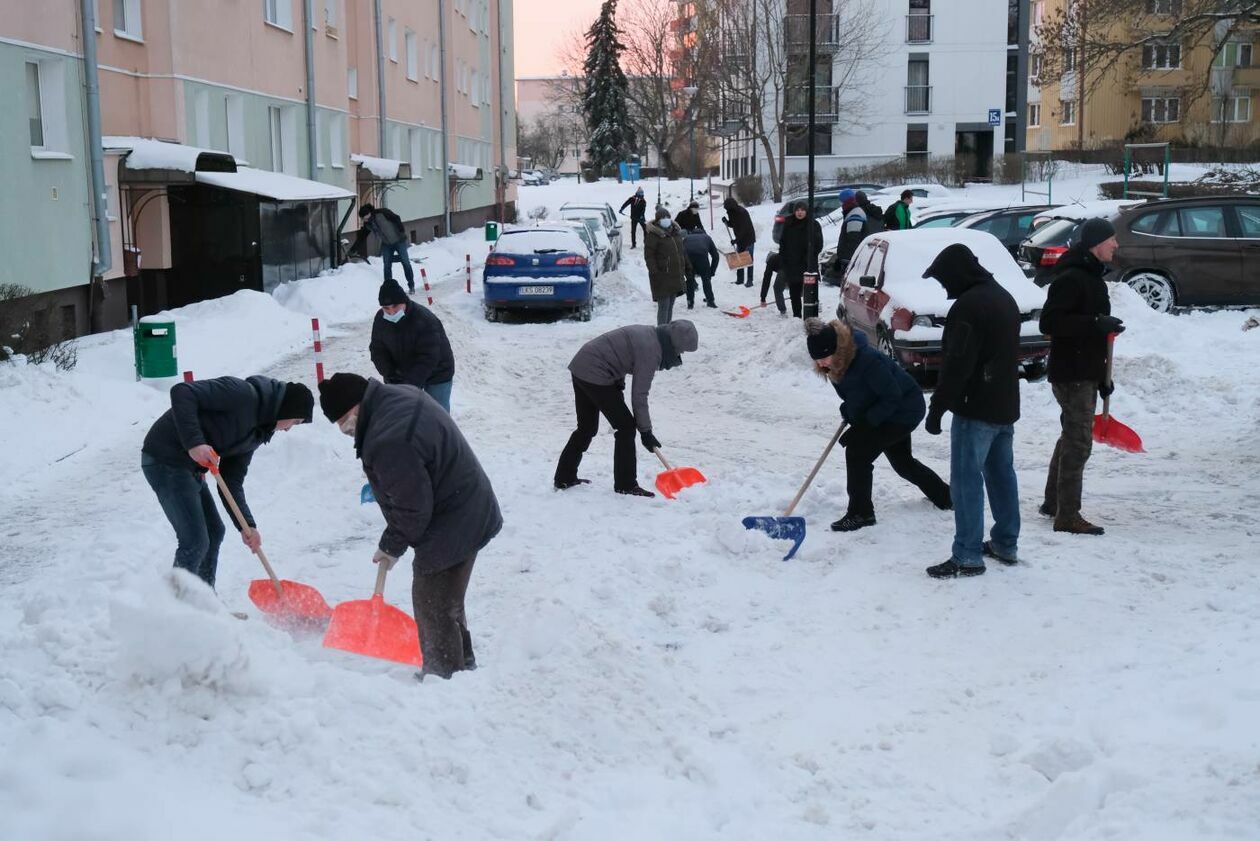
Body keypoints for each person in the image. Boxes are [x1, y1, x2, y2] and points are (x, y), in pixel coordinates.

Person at [318, 373, 502, 680]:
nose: (346, 432)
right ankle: (463, 666)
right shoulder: (394, 397)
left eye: (343, 423)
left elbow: (412, 507)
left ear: (355, 409)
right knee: (448, 598)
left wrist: (391, 545)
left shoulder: (389, 438)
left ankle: (442, 676)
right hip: (464, 503)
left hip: (454, 518)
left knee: (432, 599)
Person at [141, 376, 313, 588]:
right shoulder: (241, 393)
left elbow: (231, 482)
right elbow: (182, 392)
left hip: (190, 468)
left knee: (214, 531)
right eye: (295, 421)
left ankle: (205, 602)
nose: (289, 429)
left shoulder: (257, 432)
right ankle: (177, 605)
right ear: (287, 408)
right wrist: (195, 443)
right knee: (195, 540)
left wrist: (247, 525)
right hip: (165, 458)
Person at [921, 243, 1022, 579]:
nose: (945, 288)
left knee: (966, 482)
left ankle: (966, 555)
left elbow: (957, 366)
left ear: (956, 274)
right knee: (1001, 475)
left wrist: (937, 409)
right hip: (1004, 404)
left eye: (944, 280)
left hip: (975, 407)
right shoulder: (1003, 297)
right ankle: (1006, 543)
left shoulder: (968, 307)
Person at [805, 319, 952, 532]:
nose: (821, 364)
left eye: (823, 358)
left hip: (903, 409)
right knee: (902, 462)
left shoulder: (867, 360)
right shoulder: (836, 364)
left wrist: (864, 427)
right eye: (816, 360)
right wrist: (850, 412)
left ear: (837, 349)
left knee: (857, 454)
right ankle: (946, 497)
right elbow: (857, 395)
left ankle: (861, 513)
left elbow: (891, 396)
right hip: (886, 410)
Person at [1039, 218, 1125, 536]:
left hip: (1084, 370)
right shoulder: (1072, 279)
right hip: (1072, 373)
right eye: (1111, 240)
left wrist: (1103, 374)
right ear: (1095, 244)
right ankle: (1067, 516)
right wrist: (1095, 323)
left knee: (1070, 435)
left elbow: (1090, 325)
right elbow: (1050, 323)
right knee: (1078, 442)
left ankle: (1053, 503)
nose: (1116, 245)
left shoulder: (1091, 277)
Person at [554, 320, 700, 498]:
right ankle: (626, 484)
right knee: (626, 427)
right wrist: (646, 432)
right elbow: (639, 395)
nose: (680, 354)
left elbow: (619, 354)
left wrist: (618, 382)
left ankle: (564, 477)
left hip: (582, 364)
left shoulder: (650, 334)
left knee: (586, 428)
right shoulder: (651, 351)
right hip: (595, 371)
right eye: (681, 349)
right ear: (674, 343)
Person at [369, 280, 456, 411]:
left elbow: (428, 358)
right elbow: (378, 350)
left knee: (437, 414)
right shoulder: (381, 319)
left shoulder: (424, 319)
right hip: (404, 374)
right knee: (405, 414)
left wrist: (408, 385)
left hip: (438, 372)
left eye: (395, 306)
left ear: (404, 302)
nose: (391, 312)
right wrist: (390, 375)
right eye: (386, 308)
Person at [776, 200, 823, 318]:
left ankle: (811, 316)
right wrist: (784, 260)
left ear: (806, 211)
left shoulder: (813, 224)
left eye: (802, 210)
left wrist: (810, 255)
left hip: (807, 264)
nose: (800, 212)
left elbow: (819, 244)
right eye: (797, 210)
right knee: (794, 293)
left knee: (810, 291)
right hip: (792, 264)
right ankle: (797, 316)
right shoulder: (789, 223)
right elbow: (783, 243)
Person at [644, 206, 687, 325]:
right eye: (663, 218)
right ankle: (661, 332)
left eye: (667, 217)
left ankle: (667, 330)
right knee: (664, 306)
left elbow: (681, 253)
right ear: (658, 220)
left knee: (670, 305)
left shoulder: (675, 233)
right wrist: (655, 272)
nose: (666, 219)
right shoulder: (653, 235)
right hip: (661, 276)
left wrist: (685, 269)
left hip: (675, 275)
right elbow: (649, 256)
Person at [358, 203, 415, 291]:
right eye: (362, 218)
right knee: (387, 265)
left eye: (363, 217)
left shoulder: (382, 213)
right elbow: (362, 236)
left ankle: (411, 285)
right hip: (386, 244)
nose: (363, 219)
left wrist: (401, 231)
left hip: (399, 240)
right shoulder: (368, 224)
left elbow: (397, 218)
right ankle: (388, 289)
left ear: (368, 213)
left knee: (406, 263)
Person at [682, 225, 720, 309]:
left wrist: (684, 270)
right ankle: (710, 301)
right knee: (706, 280)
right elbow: (716, 256)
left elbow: (681, 253)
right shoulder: (707, 237)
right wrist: (712, 271)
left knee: (690, 281)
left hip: (688, 259)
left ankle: (690, 303)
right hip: (702, 259)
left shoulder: (687, 238)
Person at [722, 197, 757, 287]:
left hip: (748, 238)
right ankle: (740, 279)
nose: (727, 210)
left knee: (749, 260)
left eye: (727, 209)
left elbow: (744, 229)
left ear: (731, 207)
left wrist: (736, 240)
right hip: (740, 239)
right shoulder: (731, 213)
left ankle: (750, 280)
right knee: (739, 260)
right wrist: (726, 222)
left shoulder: (742, 213)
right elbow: (733, 224)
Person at [834, 192, 868, 271]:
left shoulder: (854, 215)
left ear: (845, 202)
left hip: (851, 261)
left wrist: (847, 260)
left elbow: (853, 240)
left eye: (841, 202)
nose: (840, 205)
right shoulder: (854, 212)